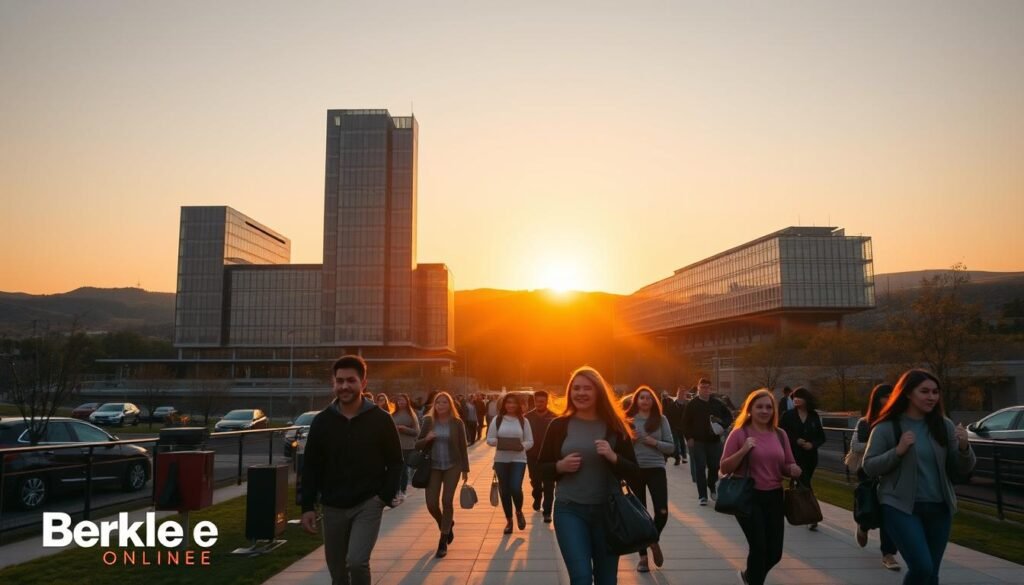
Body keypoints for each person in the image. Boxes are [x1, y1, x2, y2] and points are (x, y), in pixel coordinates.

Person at [863, 369, 976, 585]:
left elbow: (962, 469)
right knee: (922, 567)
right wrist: (898, 451)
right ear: (907, 393)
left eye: (935, 392)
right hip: (900, 507)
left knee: (931, 574)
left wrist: (964, 448)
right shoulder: (887, 427)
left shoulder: (944, 425)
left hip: (939, 507)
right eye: (924, 391)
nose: (931, 397)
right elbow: (869, 466)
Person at [300, 355, 403, 585]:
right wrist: (307, 506)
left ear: (363, 383)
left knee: (357, 562)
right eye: (340, 381)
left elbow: (396, 462)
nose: (345, 386)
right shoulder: (322, 422)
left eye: (351, 380)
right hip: (333, 505)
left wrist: (383, 497)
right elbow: (311, 466)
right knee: (337, 571)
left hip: (368, 503)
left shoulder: (380, 419)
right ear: (333, 383)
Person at [538, 366, 638, 585]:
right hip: (569, 510)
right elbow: (541, 468)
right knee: (581, 577)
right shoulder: (558, 425)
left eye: (587, 388)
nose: (580, 393)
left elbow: (634, 471)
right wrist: (560, 466)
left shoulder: (614, 427)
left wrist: (613, 457)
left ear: (599, 392)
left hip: (608, 513)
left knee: (606, 579)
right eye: (576, 388)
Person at [720, 388, 802, 585]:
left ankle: (749, 577)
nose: (764, 411)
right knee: (759, 548)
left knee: (774, 553)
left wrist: (793, 469)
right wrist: (744, 450)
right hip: (749, 497)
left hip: (774, 497)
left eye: (768, 407)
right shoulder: (740, 434)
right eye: (759, 407)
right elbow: (724, 467)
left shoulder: (780, 435)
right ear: (750, 409)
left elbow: (786, 464)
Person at [847, 383, 901, 570]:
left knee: (889, 513)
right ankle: (863, 526)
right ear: (877, 399)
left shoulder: (899, 422)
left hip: (890, 474)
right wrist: (879, 445)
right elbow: (856, 446)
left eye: (891, 395)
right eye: (885, 396)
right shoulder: (865, 422)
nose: (888, 399)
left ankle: (888, 554)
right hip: (869, 473)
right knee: (870, 508)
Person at [623, 385, 675, 573]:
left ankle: (653, 540)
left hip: (656, 469)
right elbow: (620, 448)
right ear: (636, 400)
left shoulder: (661, 420)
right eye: (641, 398)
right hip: (635, 470)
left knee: (662, 512)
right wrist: (631, 439)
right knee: (639, 515)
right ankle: (643, 558)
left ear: (654, 401)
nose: (645, 401)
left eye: (648, 398)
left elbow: (671, 447)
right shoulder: (627, 420)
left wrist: (654, 442)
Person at [415, 391, 471, 558]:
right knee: (431, 504)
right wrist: (427, 439)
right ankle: (445, 524)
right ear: (434, 405)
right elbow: (417, 444)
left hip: (453, 465)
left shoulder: (457, 423)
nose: (440, 405)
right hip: (433, 466)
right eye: (438, 402)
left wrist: (465, 469)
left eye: (444, 402)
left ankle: (443, 540)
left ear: (450, 405)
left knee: (447, 501)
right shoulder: (427, 421)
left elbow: (463, 446)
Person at [779, 386, 827, 530]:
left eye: (799, 397)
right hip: (793, 455)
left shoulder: (814, 416)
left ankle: (795, 509)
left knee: (802, 483)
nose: (796, 399)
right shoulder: (787, 415)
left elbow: (821, 437)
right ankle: (812, 515)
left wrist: (813, 444)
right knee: (804, 483)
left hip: (810, 456)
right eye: (794, 397)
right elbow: (781, 433)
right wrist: (796, 440)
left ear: (806, 399)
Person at [487, 393, 535, 533]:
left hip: (519, 459)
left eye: (514, 403)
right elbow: (490, 439)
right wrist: (501, 443)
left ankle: (518, 511)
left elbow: (530, 441)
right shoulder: (498, 420)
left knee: (515, 487)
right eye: (508, 403)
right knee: (505, 491)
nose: (511, 405)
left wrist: (521, 446)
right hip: (501, 460)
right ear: (504, 404)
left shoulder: (523, 421)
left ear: (518, 405)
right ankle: (509, 521)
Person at [681, 377, 733, 505]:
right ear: (698, 388)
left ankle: (712, 486)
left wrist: (722, 426)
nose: (705, 390)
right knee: (700, 467)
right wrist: (689, 438)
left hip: (714, 441)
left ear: (710, 389)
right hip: (698, 441)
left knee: (715, 466)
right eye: (702, 387)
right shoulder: (692, 404)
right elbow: (685, 423)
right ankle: (702, 496)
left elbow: (728, 416)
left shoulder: (717, 403)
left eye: (707, 387)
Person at [525, 389, 557, 522]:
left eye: (542, 401)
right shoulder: (527, 418)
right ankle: (537, 497)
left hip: (550, 457)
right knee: (535, 481)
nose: (539, 404)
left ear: (547, 402)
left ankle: (547, 512)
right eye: (537, 401)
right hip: (532, 456)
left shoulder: (554, 417)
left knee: (549, 485)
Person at [391, 393, 421, 501]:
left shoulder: (411, 414)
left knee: (403, 469)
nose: (400, 402)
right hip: (395, 445)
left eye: (402, 400)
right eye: (398, 400)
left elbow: (416, 432)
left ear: (407, 401)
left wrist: (404, 429)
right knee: (396, 469)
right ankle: (395, 491)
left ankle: (402, 491)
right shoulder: (393, 414)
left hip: (407, 446)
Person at [662, 386, 688, 466]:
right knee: (676, 443)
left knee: (682, 442)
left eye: (682, 394)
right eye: (679, 394)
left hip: (683, 427)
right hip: (674, 426)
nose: (681, 396)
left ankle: (684, 456)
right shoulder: (672, 405)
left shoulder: (687, 405)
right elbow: (668, 415)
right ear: (677, 394)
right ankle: (678, 458)